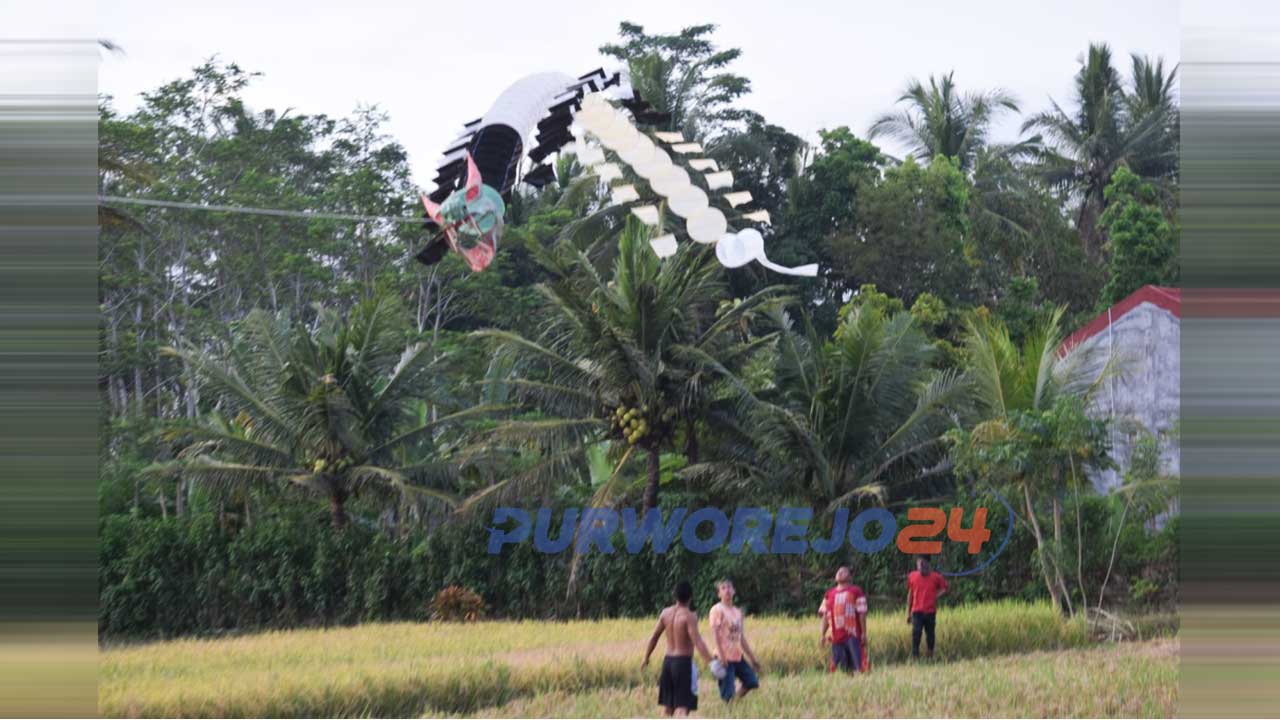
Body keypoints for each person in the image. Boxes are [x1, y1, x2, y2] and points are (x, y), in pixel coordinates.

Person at [643, 580, 715, 717]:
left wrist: (646, 658)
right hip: (683, 663)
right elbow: (698, 641)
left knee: (667, 708)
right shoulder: (689, 616)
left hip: (668, 662)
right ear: (691, 596)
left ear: (674, 595)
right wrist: (712, 663)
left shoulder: (665, 613)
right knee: (682, 707)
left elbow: (654, 638)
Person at [708, 578, 762, 702]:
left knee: (752, 682)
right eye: (723, 588)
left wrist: (753, 659)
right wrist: (721, 656)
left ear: (734, 591)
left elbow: (741, 638)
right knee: (727, 692)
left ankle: (735, 700)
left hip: (737, 656)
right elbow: (715, 635)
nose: (727, 590)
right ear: (719, 594)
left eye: (729, 587)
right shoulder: (717, 610)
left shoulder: (738, 612)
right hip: (724, 657)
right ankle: (730, 706)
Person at [818, 566, 868, 673]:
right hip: (836, 637)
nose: (840, 573)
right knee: (840, 669)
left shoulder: (856, 591)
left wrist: (863, 633)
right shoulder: (829, 594)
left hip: (852, 635)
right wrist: (822, 634)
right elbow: (825, 616)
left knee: (857, 666)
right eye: (838, 571)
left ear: (850, 577)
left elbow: (862, 613)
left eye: (844, 572)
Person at [906, 555, 949, 659]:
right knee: (916, 633)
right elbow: (910, 594)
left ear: (927, 564)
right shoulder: (912, 576)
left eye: (923, 563)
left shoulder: (936, 577)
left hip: (930, 611)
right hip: (917, 611)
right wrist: (908, 613)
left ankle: (930, 656)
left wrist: (935, 595)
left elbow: (945, 588)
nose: (920, 565)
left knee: (930, 635)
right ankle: (915, 656)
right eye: (918, 563)